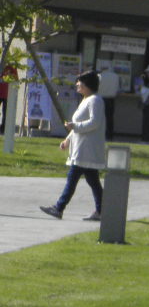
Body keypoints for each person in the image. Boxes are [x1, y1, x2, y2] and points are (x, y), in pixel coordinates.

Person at [40, 71, 108, 221]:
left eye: (80, 82)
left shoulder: (95, 100)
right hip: (82, 148)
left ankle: (59, 208)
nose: (77, 84)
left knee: (73, 178)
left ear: (88, 84)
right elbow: (77, 126)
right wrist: (68, 140)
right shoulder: (86, 100)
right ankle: (102, 210)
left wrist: (74, 126)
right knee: (93, 181)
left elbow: (94, 122)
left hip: (87, 149)